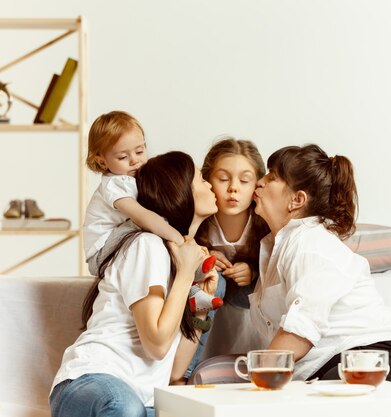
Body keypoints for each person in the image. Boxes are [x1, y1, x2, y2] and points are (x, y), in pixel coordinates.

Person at [251, 144, 391, 390]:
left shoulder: (310, 243)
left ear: (297, 200)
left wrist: (251, 380)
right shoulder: (275, 246)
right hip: (339, 365)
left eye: (272, 177)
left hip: (390, 360)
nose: (260, 182)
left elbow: (300, 331)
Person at [50, 151, 218, 417]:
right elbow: (156, 344)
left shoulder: (178, 261)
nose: (209, 184)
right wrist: (185, 275)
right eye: (200, 179)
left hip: (142, 402)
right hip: (91, 382)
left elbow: (175, 369)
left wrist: (200, 310)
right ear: (180, 192)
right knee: (125, 408)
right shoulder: (147, 246)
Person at [83, 111, 217, 315]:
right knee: (153, 224)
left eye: (140, 151)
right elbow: (142, 216)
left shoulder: (133, 176)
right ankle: (191, 261)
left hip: (120, 241)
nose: (135, 161)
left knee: (159, 229)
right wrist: (180, 240)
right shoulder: (113, 184)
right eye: (122, 157)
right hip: (101, 252)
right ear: (102, 162)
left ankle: (196, 288)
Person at [181, 137, 269, 382]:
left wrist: (252, 270)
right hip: (211, 286)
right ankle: (186, 370)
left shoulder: (263, 221)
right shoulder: (201, 219)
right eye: (223, 179)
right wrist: (204, 255)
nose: (233, 189)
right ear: (207, 182)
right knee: (211, 278)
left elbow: (273, 262)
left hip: (247, 292)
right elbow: (180, 246)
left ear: (257, 185)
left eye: (244, 180)